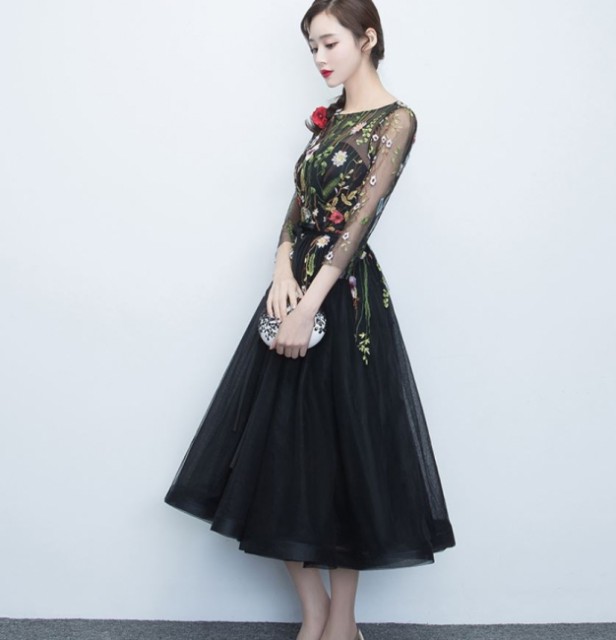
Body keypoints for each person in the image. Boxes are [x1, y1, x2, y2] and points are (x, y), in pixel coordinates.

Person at [164, 1, 456, 638]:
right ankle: (315, 611)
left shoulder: (396, 120)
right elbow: (298, 207)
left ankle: (343, 622)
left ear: (367, 38)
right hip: (291, 291)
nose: (319, 58)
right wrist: (280, 268)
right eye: (312, 48)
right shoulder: (328, 120)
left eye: (329, 43)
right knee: (279, 452)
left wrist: (310, 305)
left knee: (345, 455)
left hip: (343, 298)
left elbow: (360, 223)